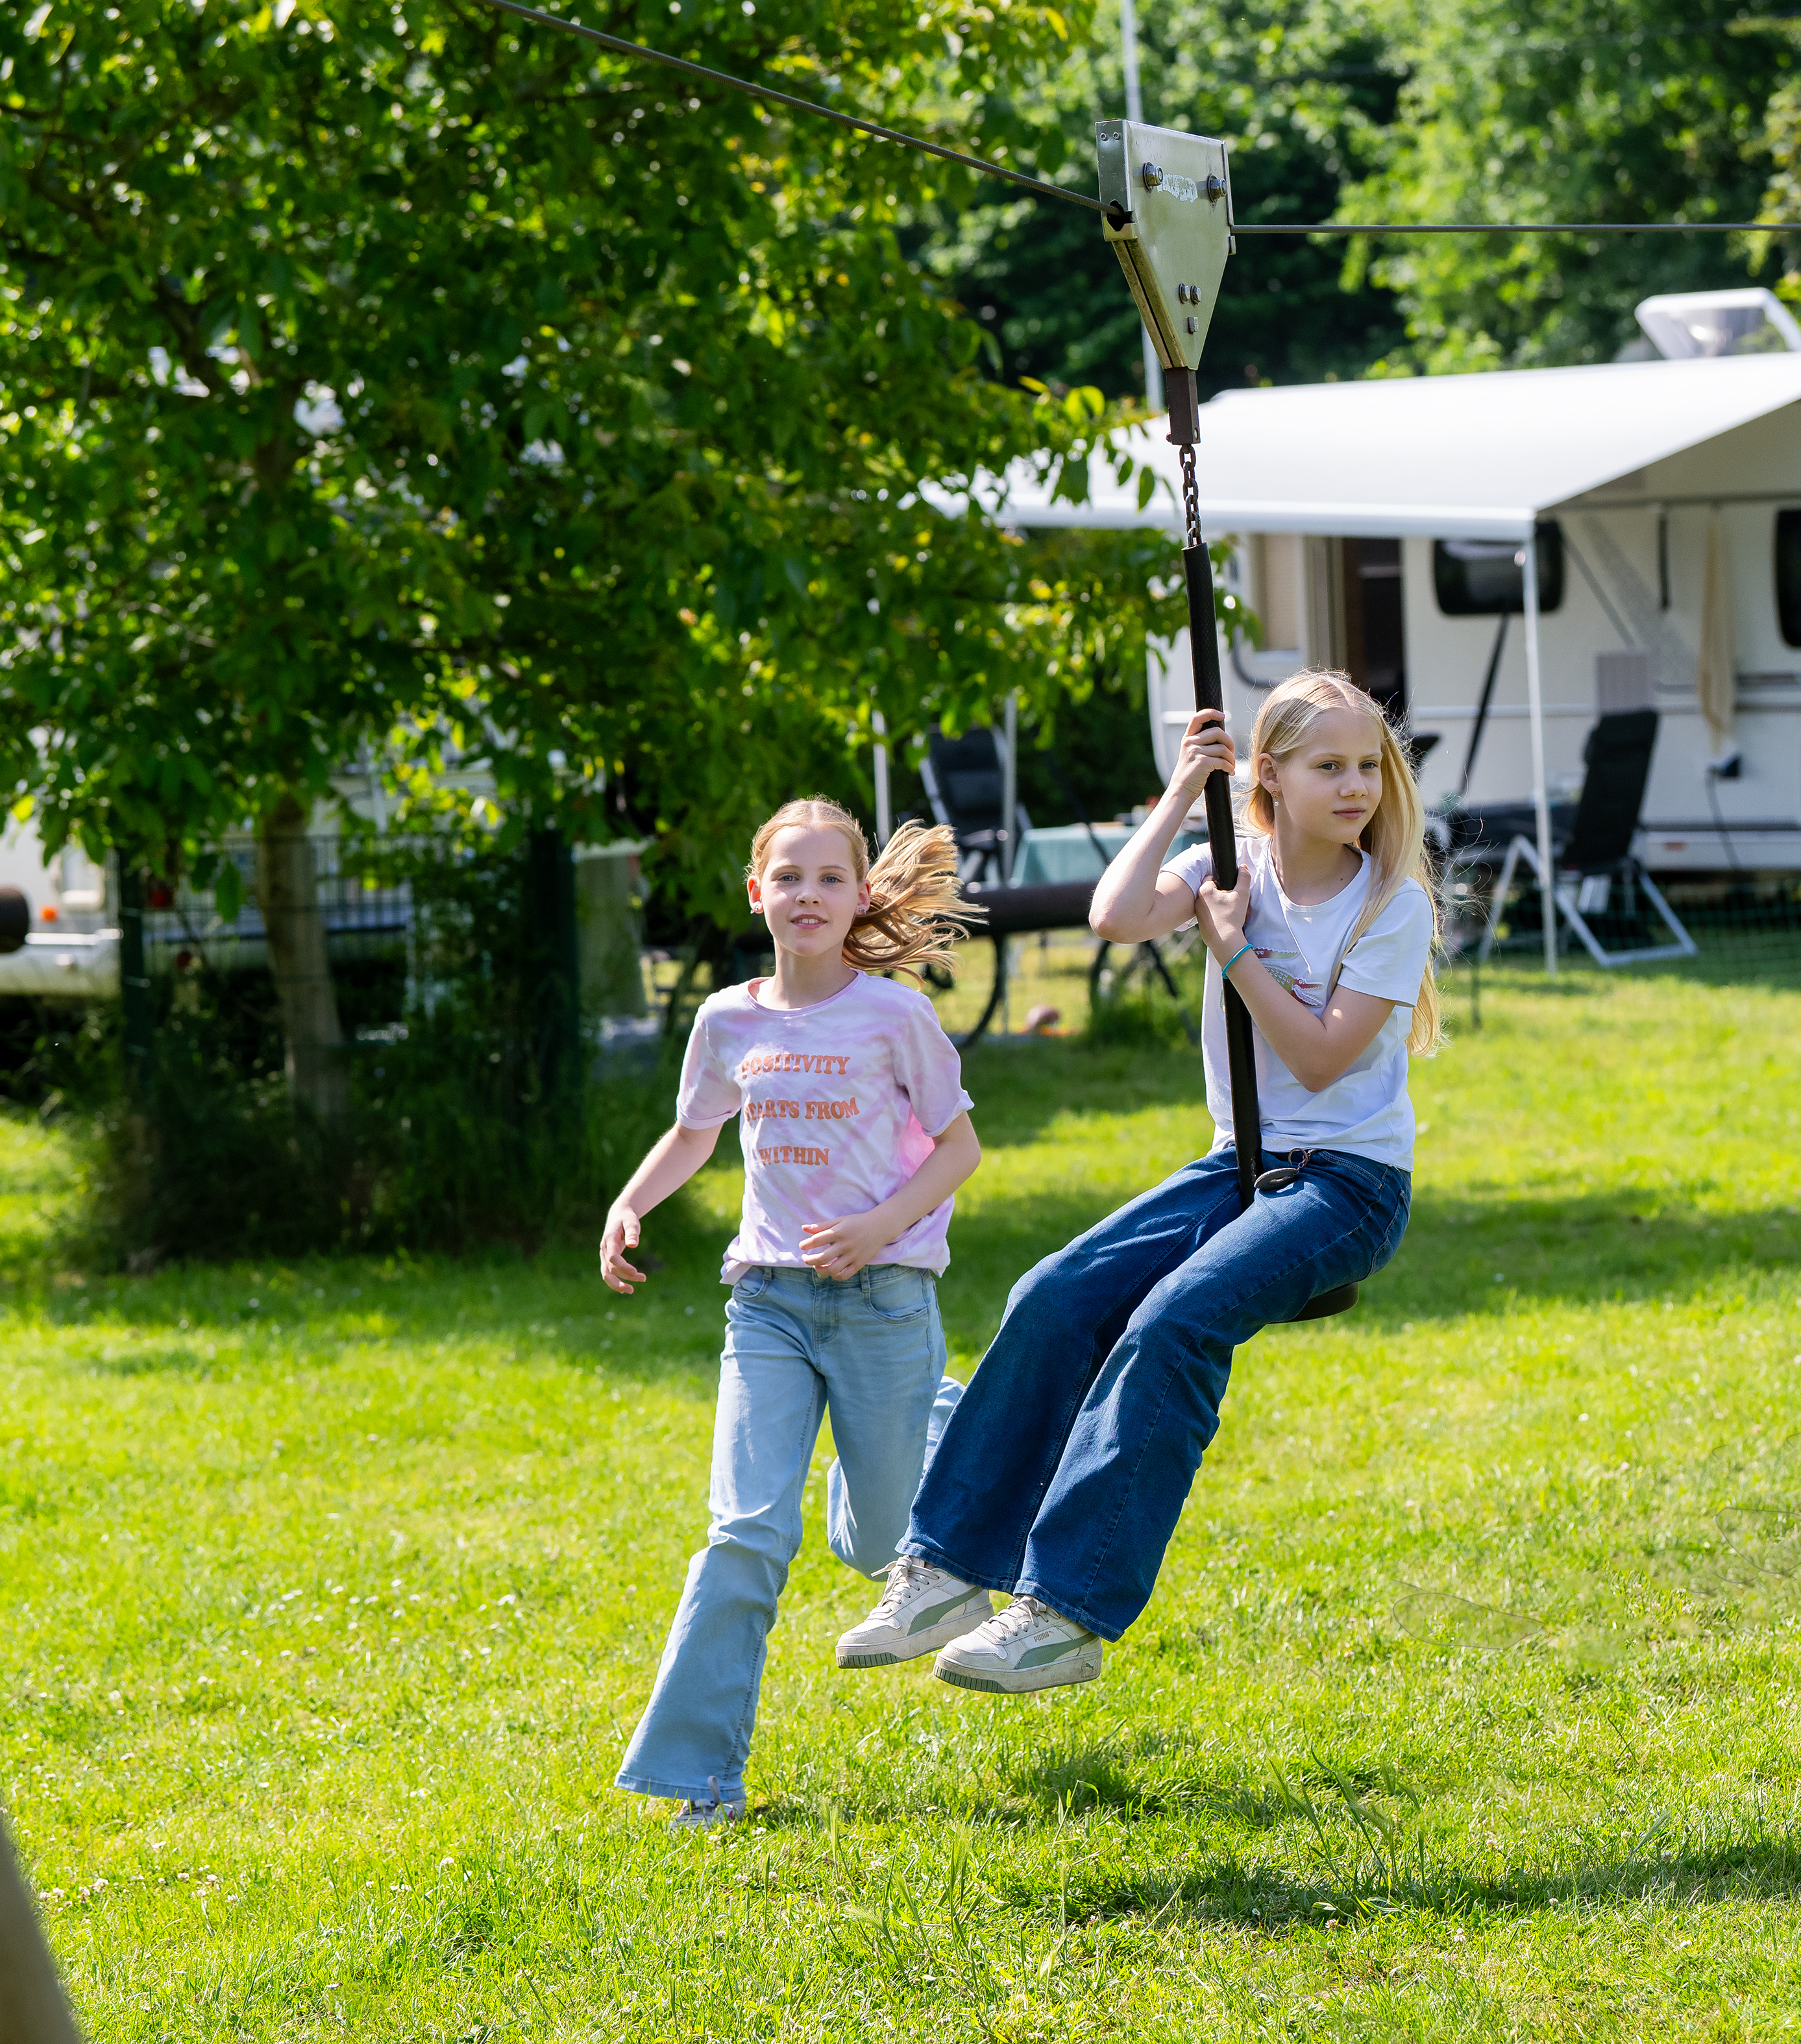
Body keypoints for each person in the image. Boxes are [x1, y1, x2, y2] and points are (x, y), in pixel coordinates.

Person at [836, 670, 1441, 1696]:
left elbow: (1319, 1059)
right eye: (1328, 766)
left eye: (1368, 766)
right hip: (1237, 1166)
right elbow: (1114, 914)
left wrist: (1234, 944)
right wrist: (1178, 794)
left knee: (1172, 1322)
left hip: (1348, 1186)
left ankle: (1066, 1611)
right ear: (1269, 777)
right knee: (1054, 1292)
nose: (1356, 787)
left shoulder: (1391, 901)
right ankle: (946, 1566)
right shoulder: (1229, 860)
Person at [601, 798, 983, 1827]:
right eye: (790, 876)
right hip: (765, 1303)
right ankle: (700, 1777)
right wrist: (632, 1201)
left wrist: (883, 1225)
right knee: (744, 1534)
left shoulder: (895, 1014)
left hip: (885, 1302)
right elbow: (693, 1132)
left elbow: (957, 1148)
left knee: (878, 1546)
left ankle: (946, 1416)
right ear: (756, 891)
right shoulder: (730, 1017)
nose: (808, 894)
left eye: (829, 878)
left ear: (859, 895)